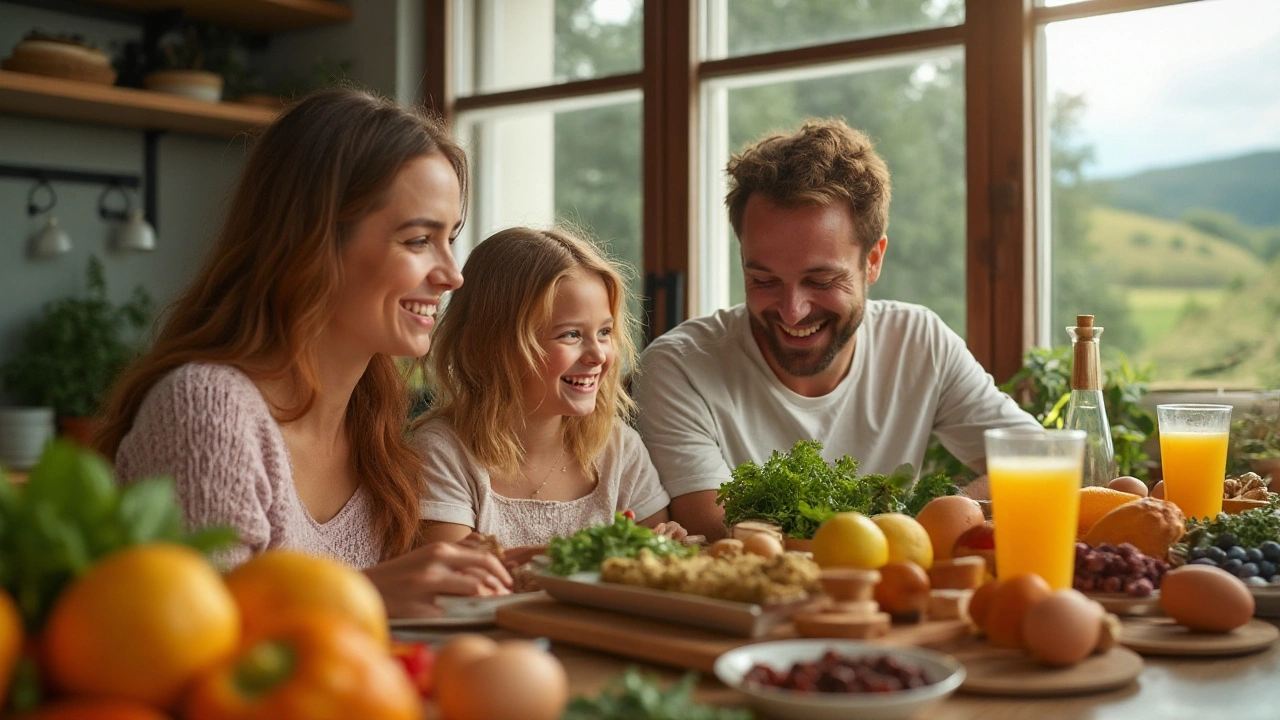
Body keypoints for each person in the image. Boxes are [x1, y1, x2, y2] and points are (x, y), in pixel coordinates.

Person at [95, 87, 511, 618]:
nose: (452, 275)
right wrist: (368, 596)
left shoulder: (373, 421)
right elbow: (193, 643)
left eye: (450, 237)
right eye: (416, 241)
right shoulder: (208, 409)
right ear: (312, 244)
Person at [632, 118, 1040, 540]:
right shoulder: (679, 368)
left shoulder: (918, 342)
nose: (792, 312)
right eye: (764, 280)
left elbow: (1041, 461)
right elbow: (715, 531)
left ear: (873, 261)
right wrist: (904, 538)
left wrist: (946, 516)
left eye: (822, 281)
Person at [412, 227, 681, 554]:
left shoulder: (619, 449)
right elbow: (455, 581)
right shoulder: (441, 454)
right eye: (570, 335)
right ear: (494, 346)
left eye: (605, 332)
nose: (598, 355)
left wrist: (670, 544)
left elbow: (657, 566)